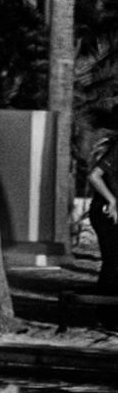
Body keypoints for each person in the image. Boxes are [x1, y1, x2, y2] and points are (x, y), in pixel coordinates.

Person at [87, 121, 118, 289]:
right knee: (113, 260)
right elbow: (94, 176)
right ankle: (105, 306)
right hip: (106, 212)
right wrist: (112, 200)